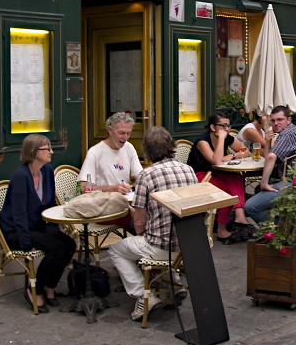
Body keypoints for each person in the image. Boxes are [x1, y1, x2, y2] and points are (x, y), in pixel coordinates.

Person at [109, 127, 198, 322]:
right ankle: (172, 286)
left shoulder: (147, 175)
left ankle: (144, 295)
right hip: (189, 245)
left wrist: (136, 221)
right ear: (171, 145)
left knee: (117, 250)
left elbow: (139, 223)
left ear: (146, 151)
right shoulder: (188, 170)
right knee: (159, 233)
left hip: (162, 248)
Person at [0, 135, 77, 313]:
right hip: (17, 230)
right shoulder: (20, 176)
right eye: (46, 148)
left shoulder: (47, 171)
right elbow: (18, 215)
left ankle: (50, 285)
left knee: (69, 243)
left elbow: (49, 205)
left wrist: (54, 229)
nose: (51, 152)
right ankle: (34, 290)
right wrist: (26, 244)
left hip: (37, 226)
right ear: (33, 152)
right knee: (55, 248)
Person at [186, 113, 253, 243]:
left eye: (228, 126)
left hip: (216, 172)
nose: (227, 129)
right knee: (227, 191)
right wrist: (222, 139)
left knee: (236, 177)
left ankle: (239, 214)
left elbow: (246, 151)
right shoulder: (203, 141)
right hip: (200, 176)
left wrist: (231, 156)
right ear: (212, 127)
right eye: (223, 126)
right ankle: (222, 230)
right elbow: (216, 161)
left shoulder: (227, 137)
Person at [244, 106, 296, 224]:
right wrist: (267, 141)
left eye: (280, 120)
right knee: (257, 190)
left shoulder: (288, 134)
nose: (276, 123)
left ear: (289, 120)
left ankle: (278, 229)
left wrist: (264, 183)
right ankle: (280, 220)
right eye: (273, 120)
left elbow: (271, 157)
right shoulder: (292, 131)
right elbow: (269, 157)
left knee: (250, 207)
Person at [78, 112, 144, 232]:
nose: (125, 138)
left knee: (150, 212)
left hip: (126, 202)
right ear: (110, 130)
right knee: (140, 219)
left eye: (128, 133)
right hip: (103, 205)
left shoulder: (129, 148)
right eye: (121, 133)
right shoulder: (95, 152)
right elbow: (83, 188)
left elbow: (141, 176)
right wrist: (112, 189)